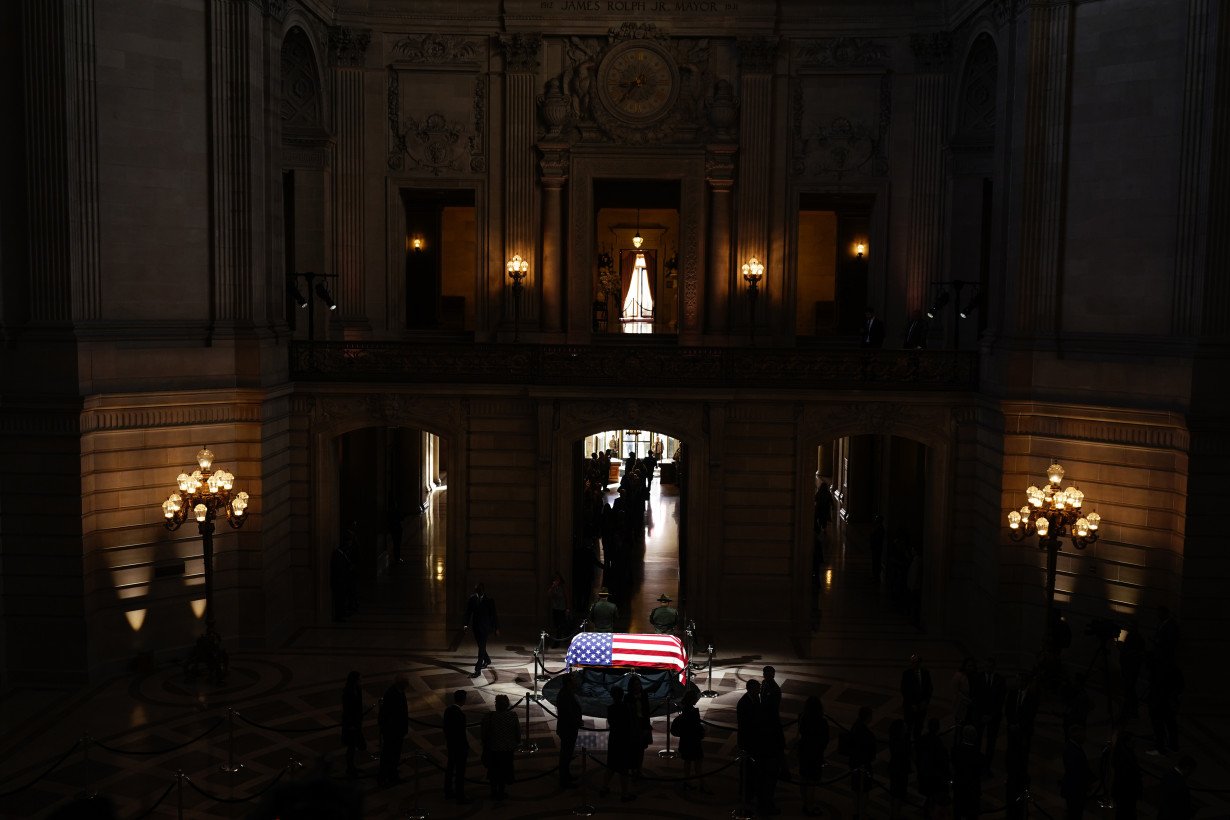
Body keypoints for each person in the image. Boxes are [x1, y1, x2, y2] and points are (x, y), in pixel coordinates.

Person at [481, 693, 520, 801]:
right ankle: (501, 791)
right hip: (507, 749)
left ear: (496, 704)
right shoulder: (512, 716)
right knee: (504, 770)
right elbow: (517, 732)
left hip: (493, 749)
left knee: (493, 771)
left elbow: (484, 734)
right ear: (507, 705)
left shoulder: (490, 716)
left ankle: (493, 791)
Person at [600, 686, 635, 802]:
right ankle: (624, 794)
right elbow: (629, 725)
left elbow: (611, 723)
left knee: (611, 765)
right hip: (624, 739)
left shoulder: (610, 708)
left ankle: (604, 787)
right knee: (624, 769)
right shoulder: (626, 708)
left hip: (614, 739)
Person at [757, 667, 785, 816]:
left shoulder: (774, 689)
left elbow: (772, 707)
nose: (766, 676)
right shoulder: (765, 685)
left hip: (771, 721)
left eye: (769, 674)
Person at [796, 695, 829, 817]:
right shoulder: (822, 722)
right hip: (815, 753)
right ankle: (809, 807)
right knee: (811, 783)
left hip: (804, 751)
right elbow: (825, 739)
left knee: (803, 779)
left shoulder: (802, 717)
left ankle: (805, 803)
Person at [974, 655, 1006, 773]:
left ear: (994, 667)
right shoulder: (978, 678)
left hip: (993, 717)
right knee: (977, 740)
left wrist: (991, 715)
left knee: (991, 743)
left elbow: (1000, 700)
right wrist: (982, 714)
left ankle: (987, 766)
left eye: (990, 666)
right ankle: (977, 763)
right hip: (980, 715)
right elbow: (976, 697)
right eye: (986, 666)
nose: (988, 668)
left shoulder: (1000, 680)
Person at [376, 674, 409, 786]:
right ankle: (383, 778)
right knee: (387, 755)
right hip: (391, 731)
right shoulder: (391, 694)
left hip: (398, 730)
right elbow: (385, 714)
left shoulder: (400, 692)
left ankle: (392, 775)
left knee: (395, 755)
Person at [916, 717, 951, 819]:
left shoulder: (922, 740)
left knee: (930, 800)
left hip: (924, 776)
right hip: (934, 778)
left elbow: (917, 757)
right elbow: (943, 762)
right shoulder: (938, 743)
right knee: (935, 802)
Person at [674, 687, 707, 793]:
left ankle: (687, 782)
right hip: (693, 741)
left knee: (687, 762)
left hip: (686, 741)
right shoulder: (692, 712)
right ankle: (702, 784)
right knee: (698, 763)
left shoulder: (685, 710)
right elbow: (695, 726)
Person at [463, 582, 499, 678]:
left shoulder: (489, 600)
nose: (478, 591)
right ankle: (487, 660)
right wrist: (465, 624)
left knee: (481, 648)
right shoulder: (472, 599)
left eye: (479, 589)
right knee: (481, 646)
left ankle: (477, 670)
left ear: (483, 590)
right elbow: (468, 612)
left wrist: (496, 628)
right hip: (476, 627)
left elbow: (494, 615)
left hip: (485, 628)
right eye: (476, 589)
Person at [847, 705, 877, 820]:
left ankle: (856, 811)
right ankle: (862, 812)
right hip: (863, 765)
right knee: (864, 791)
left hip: (854, 763)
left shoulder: (854, 727)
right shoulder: (868, 734)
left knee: (855, 788)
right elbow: (872, 754)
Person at [736, 679, 762, 810]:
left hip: (753, 739)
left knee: (752, 769)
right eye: (758, 688)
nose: (759, 690)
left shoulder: (755, 699)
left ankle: (750, 791)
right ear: (751, 689)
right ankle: (745, 793)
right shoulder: (744, 703)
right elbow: (746, 724)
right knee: (746, 768)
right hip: (747, 740)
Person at [1060, 723, 1094, 820]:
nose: (1085, 737)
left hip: (1075, 788)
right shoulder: (1071, 750)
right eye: (1082, 734)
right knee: (1074, 814)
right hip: (1074, 789)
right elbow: (1076, 771)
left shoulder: (1073, 747)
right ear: (1076, 736)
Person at [556, 674, 583, 787]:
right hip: (567, 728)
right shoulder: (565, 695)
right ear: (568, 683)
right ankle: (564, 779)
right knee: (566, 754)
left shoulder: (566, 693)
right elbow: (568, 714)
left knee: (567, 754)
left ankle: (566, 775)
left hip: (568, 727)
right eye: (573, 681)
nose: (576, 682)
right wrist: (577, 721)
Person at [443, 689, 469, 802]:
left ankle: (448, 791)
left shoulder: (448, 710)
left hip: (451, 744)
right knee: (460, 772)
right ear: (463, 700)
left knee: (450, 769)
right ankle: (460, 795)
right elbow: (461, 734)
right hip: (459, 747)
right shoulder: (460, 715)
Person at [1109, 730, 1142, 820]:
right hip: (1126, 792)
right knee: (1126, 813)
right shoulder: (1124, 758)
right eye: (1133, 742)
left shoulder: (1121, 754)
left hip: (1124, 792)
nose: (1134, 744)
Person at [952, 724, 982, 820]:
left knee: (958, 812)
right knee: (971, 814)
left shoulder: (955, 750)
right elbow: (981, 772)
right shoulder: (978, 755)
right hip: (972, 788)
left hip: (959, 785)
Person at [901, 653, 933, 741]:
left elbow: (929, 688)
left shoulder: (925, 673)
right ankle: (907, 744)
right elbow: (904, 690)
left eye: (917, 662)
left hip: (922, 707)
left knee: (919, 727)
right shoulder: (906, 674)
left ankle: (917, 742)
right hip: (910, 707)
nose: (915, 664)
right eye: (913, 662)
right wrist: (912, 704)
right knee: (908, 727)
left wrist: (925, 702)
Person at [341, 671, 366, 778]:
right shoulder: (348, 692)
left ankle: (352, 767)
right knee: (351, 746)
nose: (361, 681)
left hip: (356, 722)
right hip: (350, 724)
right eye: (359, 680)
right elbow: (348, 710)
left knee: (353, 746)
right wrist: (351, 724)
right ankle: (350, 768)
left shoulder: (357, 690)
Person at [626, 674, 652, 777]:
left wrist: (647, 727)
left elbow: (647, 712)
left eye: (638, 684)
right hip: (632, 726)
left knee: (641, 749)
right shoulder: (628, 697)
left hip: (642, 725)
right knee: (633, 750)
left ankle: (639, 769)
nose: (637, 686)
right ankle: (633, 770)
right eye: (635, 685)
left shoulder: (644, 695)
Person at [1118, 620, 1144, 719]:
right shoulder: (1134, 637)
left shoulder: (1135, 638)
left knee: (1129, 689)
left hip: (1130, 667)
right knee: (1129, 689)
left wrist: (1123, 650)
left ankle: (1130, 710)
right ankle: (1131, 710)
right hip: (1129, 666)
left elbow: (1133, 653)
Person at [1157, 755, 1196, 820]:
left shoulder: (1168, 773)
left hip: (1164, 812)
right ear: (1187, 768)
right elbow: (1181, 805)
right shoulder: (1180, 784)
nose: (1191, 773)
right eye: (1191, 770)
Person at [887, 719, 910, 820]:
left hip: (895, 768)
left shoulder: (893, 739)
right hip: (900, 770)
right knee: (898, 795)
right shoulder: (902, 742)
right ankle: (895, 815)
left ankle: (893, 814)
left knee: (894, 793)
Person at [548, 572, 569, 645]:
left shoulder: (563, 587)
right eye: (555, 579)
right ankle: (558, 639)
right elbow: (549, 594)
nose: (556, 581)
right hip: (555, 608)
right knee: (556, 624)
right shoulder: (554, 587)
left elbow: (566, 597)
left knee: (561, 625)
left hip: (562, 608)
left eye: (557, 579)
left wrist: (567, 608)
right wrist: (553, 587)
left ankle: (558, 641)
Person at [869, 515, 885, 582]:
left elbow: (877, 538)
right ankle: (875, 575)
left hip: (877, 548)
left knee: (876, 562)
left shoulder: (880, 529)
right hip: (876, 548)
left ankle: (876, 576)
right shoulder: (879, 528)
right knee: (875, 562)